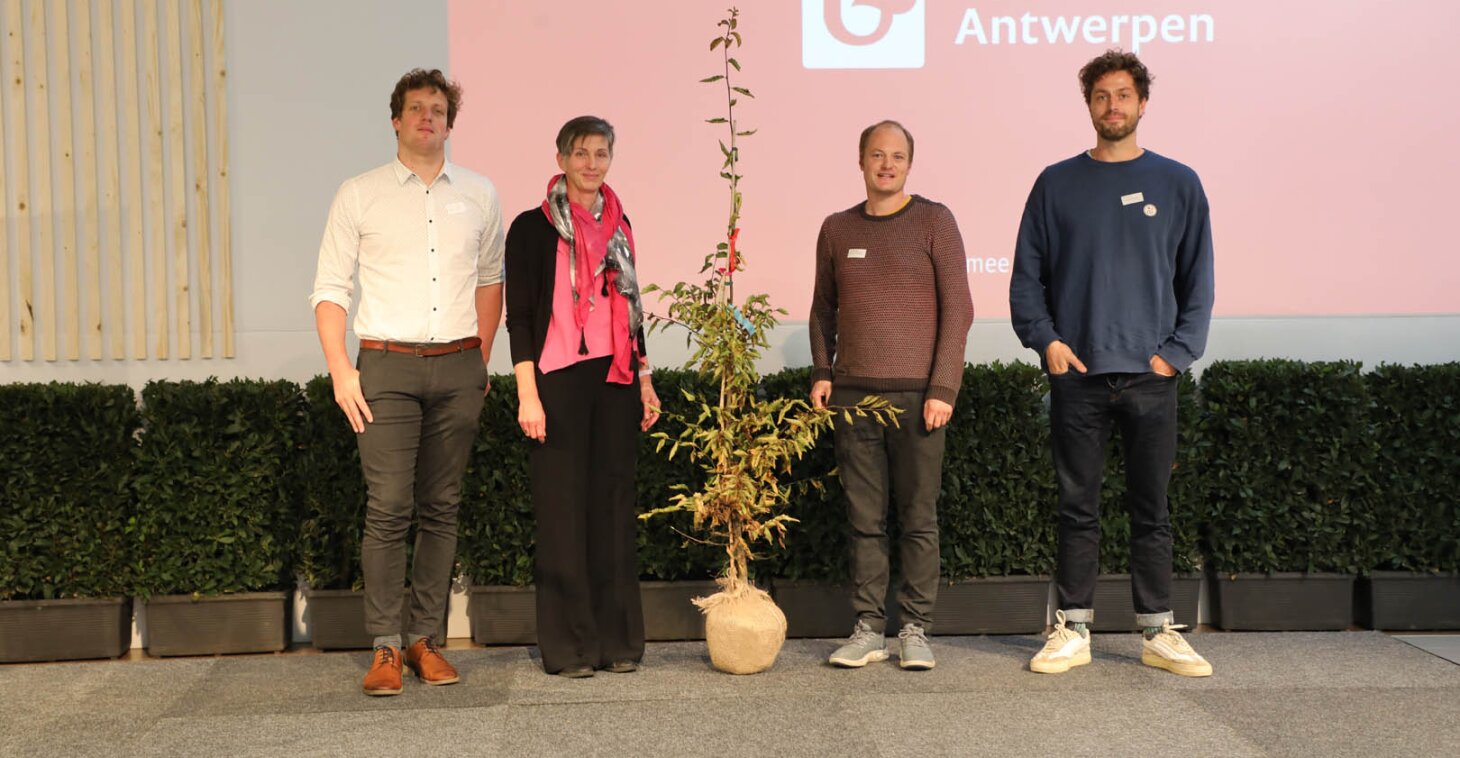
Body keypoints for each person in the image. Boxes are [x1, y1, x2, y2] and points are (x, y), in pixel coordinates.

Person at [1010, 50, 1215, 677]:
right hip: (1079, 377)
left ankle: (1158, 631)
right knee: (1078, 508)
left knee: (1152, 510)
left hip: (1151, 378)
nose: (1114, 106)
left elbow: (1198, 281)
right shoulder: (1055, 183)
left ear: (1143, 103)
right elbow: (1026, 282)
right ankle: (1072, 629)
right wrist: (1047, 342)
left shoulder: (1180, 182)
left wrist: (1175, 356)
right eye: (1102, 96)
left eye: (1124, 95)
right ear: (1089, 105)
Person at [310, 68, 503, 696]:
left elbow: (489, 283)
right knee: (389, 508)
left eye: (438, 109)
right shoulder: (358, 194)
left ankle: (425, 641)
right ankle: (386, 647)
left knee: (441, 508)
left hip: (457, 365)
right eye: (416, 108)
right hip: (385, 366)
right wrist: (342, 370)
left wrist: (481, 358)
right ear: (395, 119)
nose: (427, 117)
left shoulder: (478, 193)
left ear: (450, 122)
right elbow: (330, 289)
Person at [811, 120, 974, 671]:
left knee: (918, 518)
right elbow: (821, 310)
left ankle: (915, 629)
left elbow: (959, 310)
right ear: (860, 161)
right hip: (853, 397)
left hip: (918, 399)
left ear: (909, 164)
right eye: (877, 155)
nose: (887, 164)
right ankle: (868, 628)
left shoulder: (934, 220)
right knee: (864, 518)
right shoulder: (836, 228)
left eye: (897, 156)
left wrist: (943, 386)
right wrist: (821, 371)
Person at [504, 115, 660, 678]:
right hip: (556, 380)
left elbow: (634, 308)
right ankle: (569, 648)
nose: (592, 164)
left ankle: (618, 643)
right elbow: (519, 318)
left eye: (602, 154)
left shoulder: (621, 224)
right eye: (581, 153)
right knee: (562, 513)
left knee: (614, 510)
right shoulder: (530, 227)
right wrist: (528, 394)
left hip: (615, 380)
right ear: (561, 159)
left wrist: (644, 380)